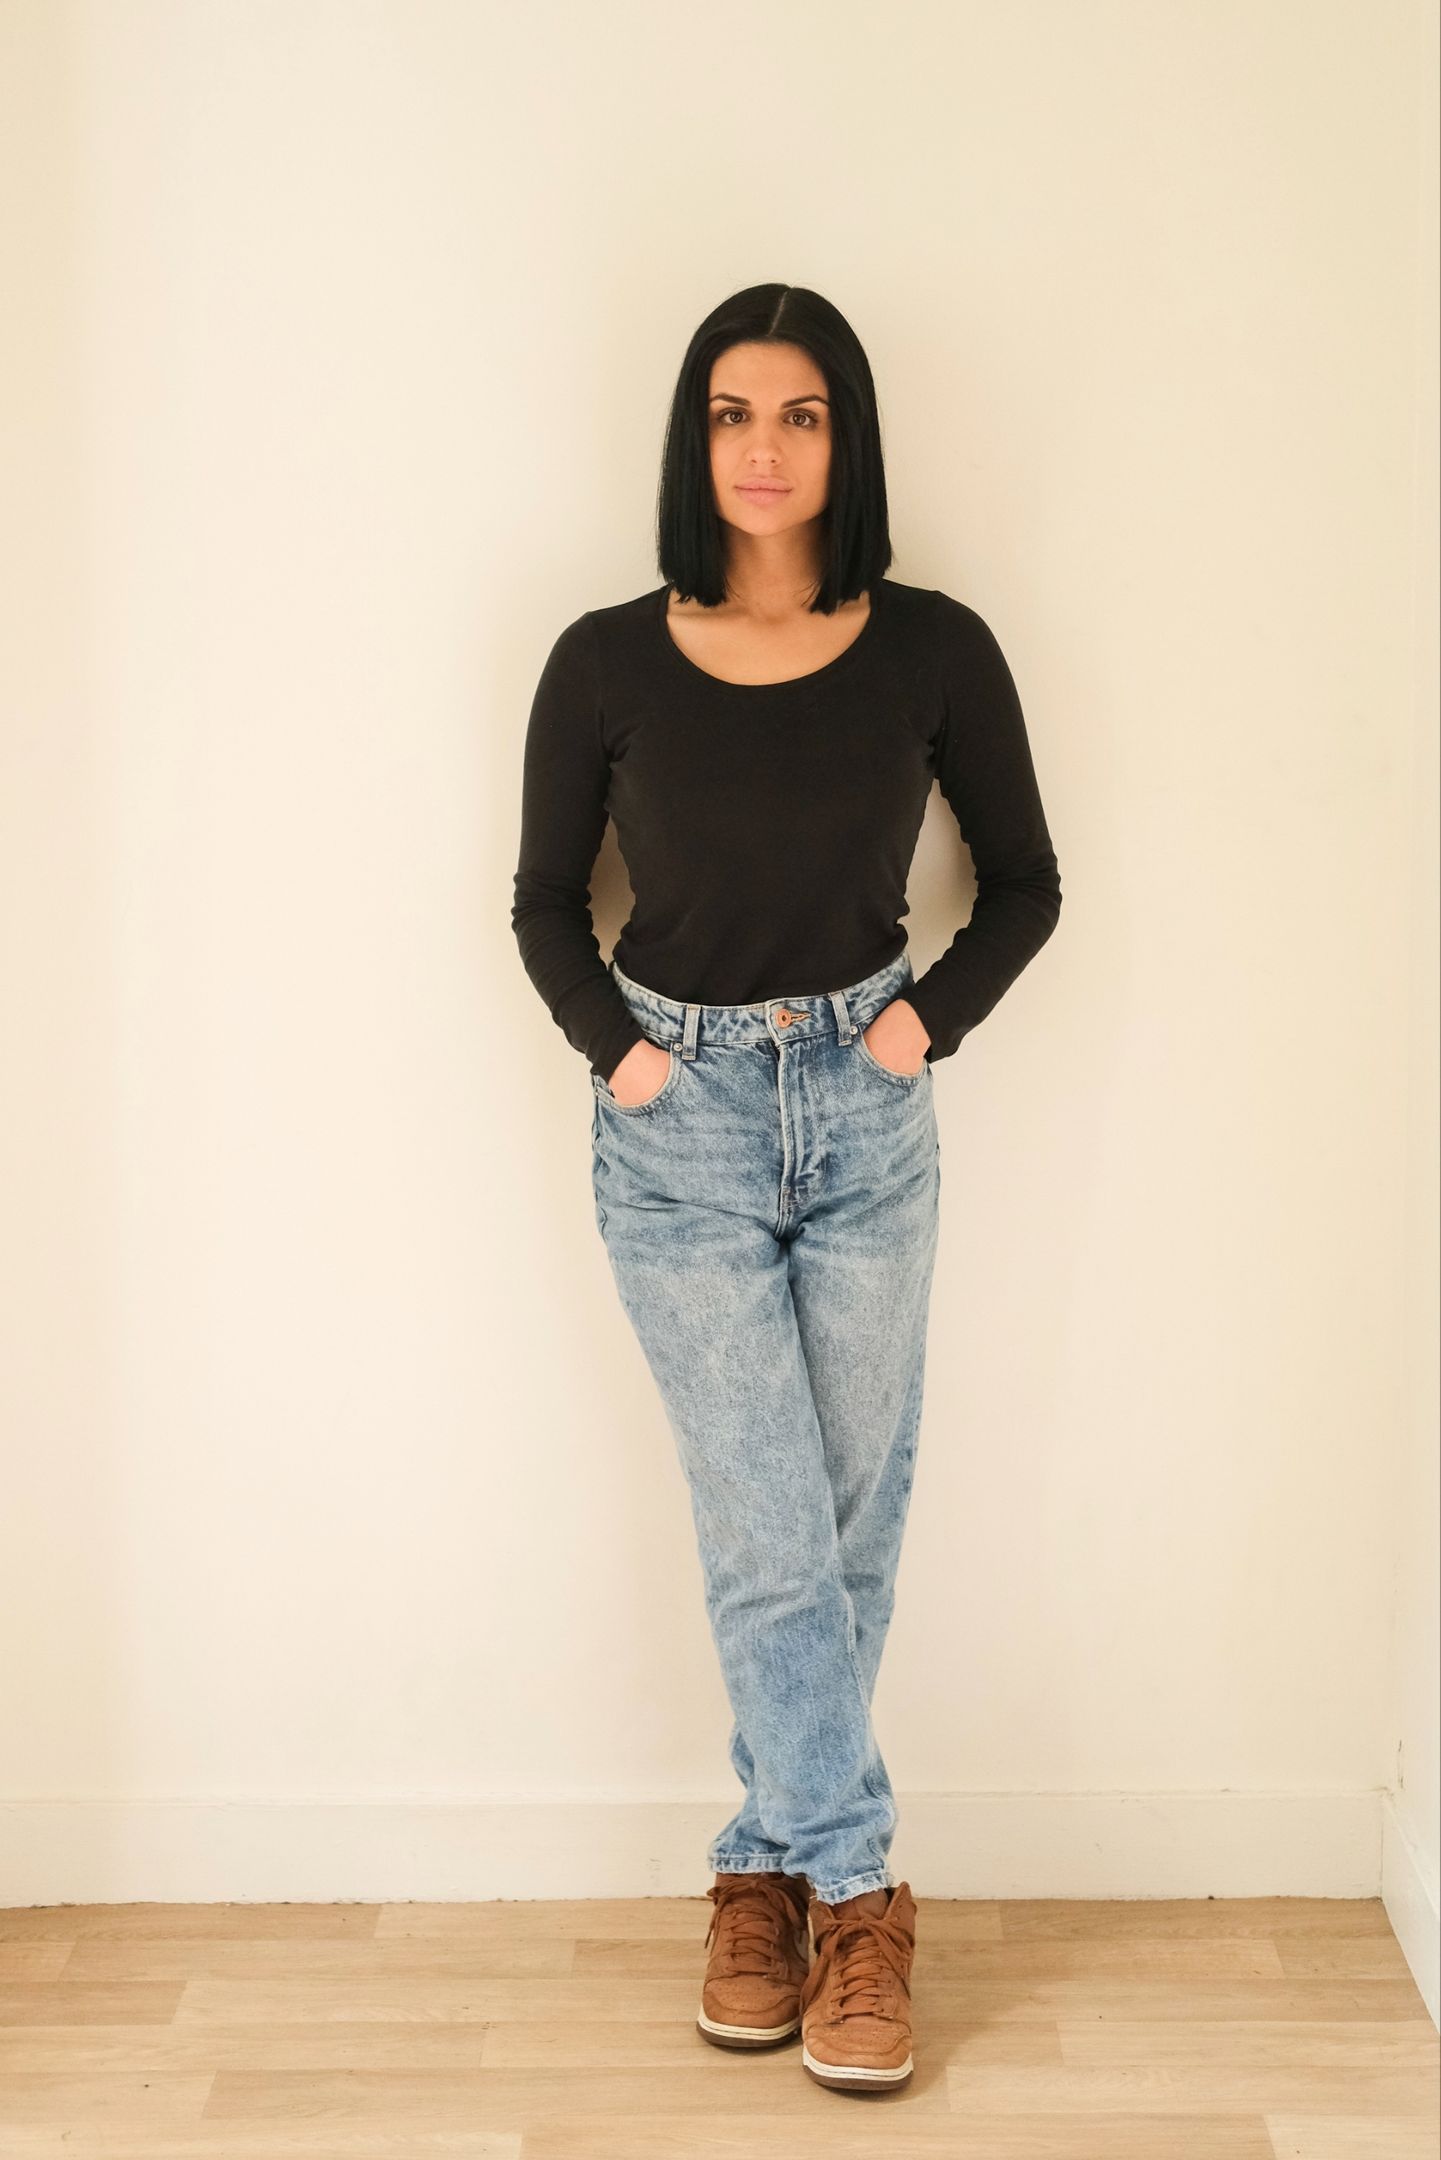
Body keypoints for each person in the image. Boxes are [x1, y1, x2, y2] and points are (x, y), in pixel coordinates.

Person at [510, 282, 1062, 2094]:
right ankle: (860, 1889)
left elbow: (1027, 884)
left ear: (846, 441)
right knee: (769, 1525)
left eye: (800, 415)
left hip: (865, 1110)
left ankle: (759, 1870)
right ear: (696, 440)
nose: (764, 448)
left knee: (840, 1525)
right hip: (675, 1126)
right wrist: (627, 1058)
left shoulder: (932, 649)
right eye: (733, 414)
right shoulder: (605, 658)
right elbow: (542, 905)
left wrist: (917, 1030)